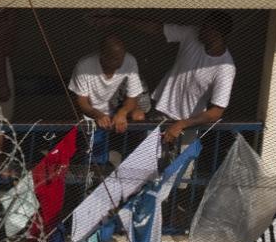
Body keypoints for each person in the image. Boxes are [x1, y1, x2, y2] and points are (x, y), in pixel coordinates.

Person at [100, 11, 236, 150]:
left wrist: (182, 124)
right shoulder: (191, 34)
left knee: (181, 163)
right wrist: (117, 19)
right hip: (161, 112)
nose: (200, 30)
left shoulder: (225, 68)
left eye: (206, 28)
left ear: (217, 34)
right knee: (146, 159)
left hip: (189, 124)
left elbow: (216, 112)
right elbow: (158, 28)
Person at [68, 34, 145, 138]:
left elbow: (133, 98)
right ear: (102, 55)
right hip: (92, 112)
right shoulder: (84, 65)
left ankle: (133, 146)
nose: (119, 62)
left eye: (121, 58)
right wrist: (97, 115)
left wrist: (122, 112)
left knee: (138, 116)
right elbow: (82, 102)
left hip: (116, 108)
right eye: (114, 58)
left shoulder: (130, 61)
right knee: (94, 136)